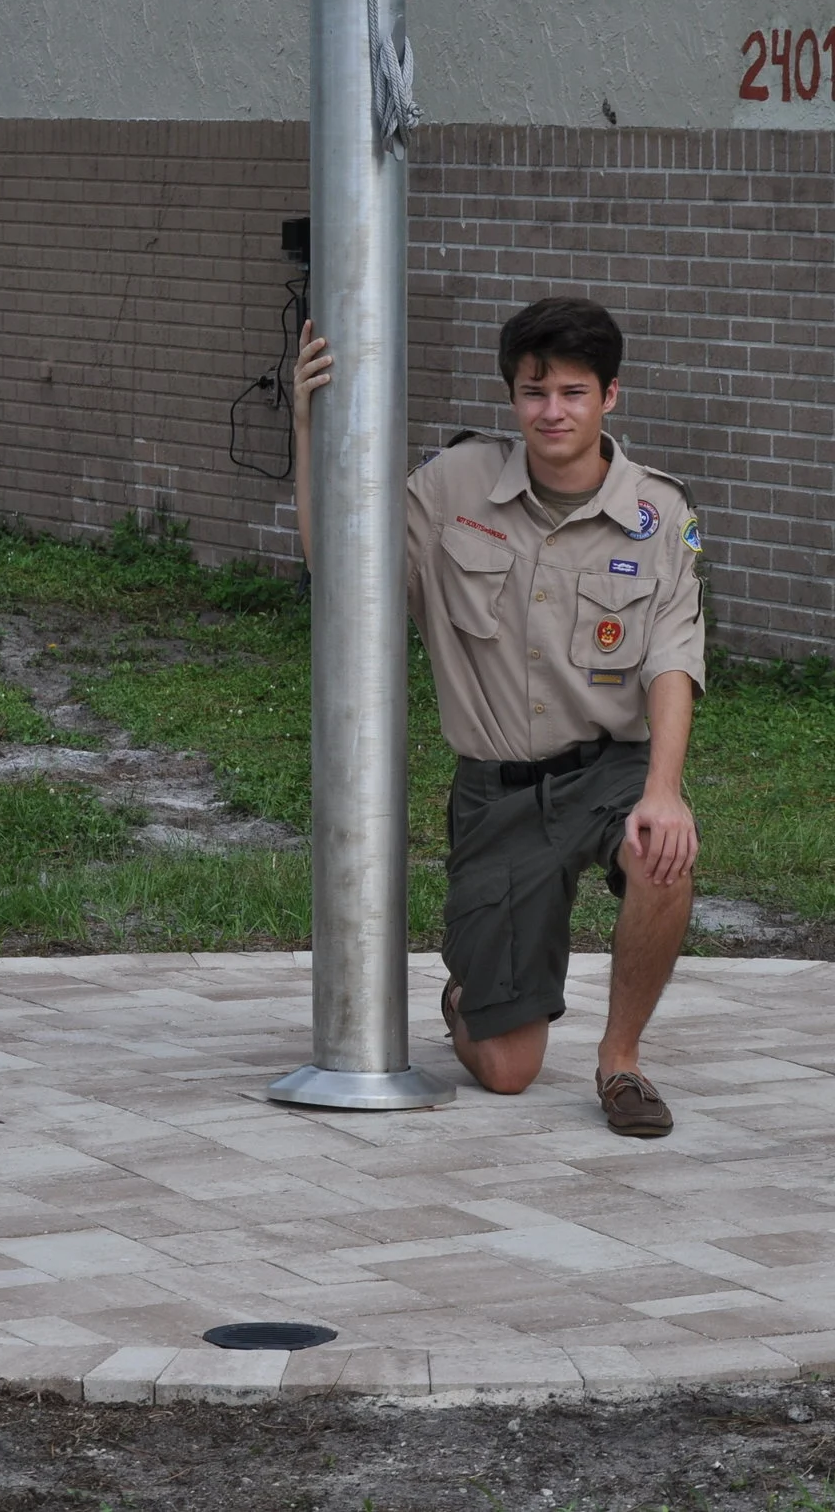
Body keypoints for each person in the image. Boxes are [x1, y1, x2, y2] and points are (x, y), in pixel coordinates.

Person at [293, 296, 703, 1138]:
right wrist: (308, 426)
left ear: (611, 396)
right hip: (498, 794)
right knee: (508, 1073)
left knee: (662, 853)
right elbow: (336, 561)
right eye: (534, 392)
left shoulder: (659, 514)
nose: (553, 412)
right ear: (513, 398)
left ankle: (620, 1062)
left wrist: (664, 790)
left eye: (574, 393)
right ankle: (465, 998)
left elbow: (673, 656)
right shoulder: (455, 485)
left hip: (610, 767)